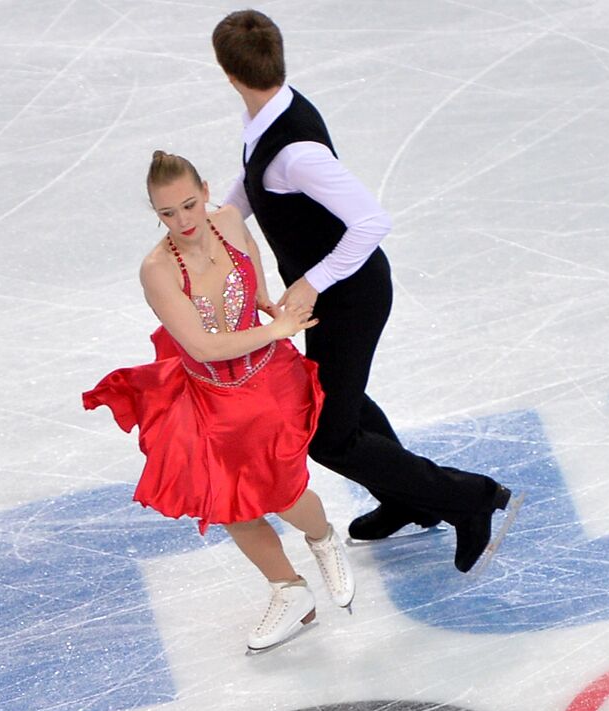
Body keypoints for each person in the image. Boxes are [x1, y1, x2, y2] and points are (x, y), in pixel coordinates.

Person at [211, 9, 516, 574]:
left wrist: (309, 281)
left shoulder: (296, 150)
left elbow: (372, 222)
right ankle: (405, 500)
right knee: (342, 403)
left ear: (227, 73)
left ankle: (468, 497)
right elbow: (252, 186)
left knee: (329, 437)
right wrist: (212, 223)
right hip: (329, 296)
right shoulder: (270, 118)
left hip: (352, 296)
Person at [83, 151, 355, 653]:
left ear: (206, 190)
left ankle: (322, 540)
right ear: (155, 213)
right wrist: (277, 328)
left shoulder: (230, 220)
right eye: (167, 213)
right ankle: (289, 590)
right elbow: (203, 347)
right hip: (207, 397)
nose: (183, 221)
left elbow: (252, 273)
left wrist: (266, 305)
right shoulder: (158, 270)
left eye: (189, 205)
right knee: (229, 505)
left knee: (285, 494)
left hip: (265, 382)